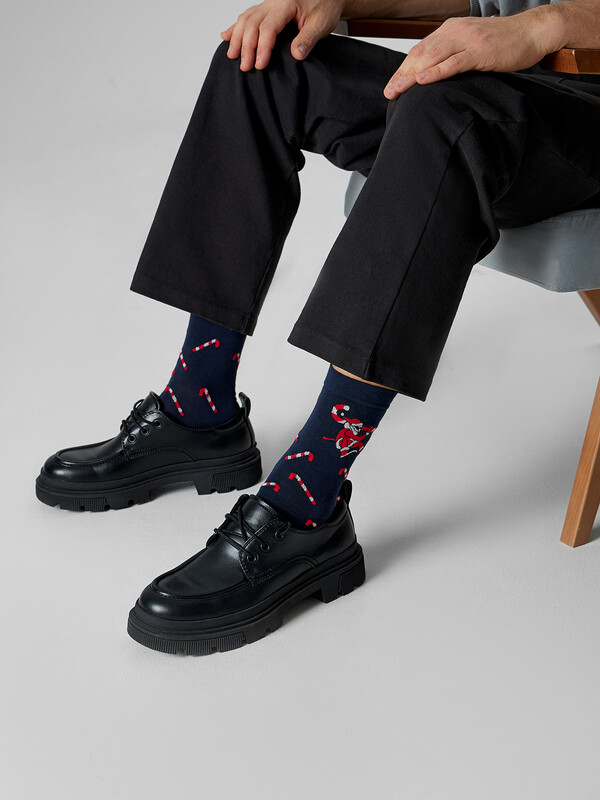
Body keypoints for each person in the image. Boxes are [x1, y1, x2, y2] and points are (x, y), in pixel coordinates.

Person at [36, 0, 600, 655]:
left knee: (446, 114)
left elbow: (522, 23)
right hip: (508, 89)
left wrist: (541, 27)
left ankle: (308, 502)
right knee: (262, 62)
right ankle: (200, 407)